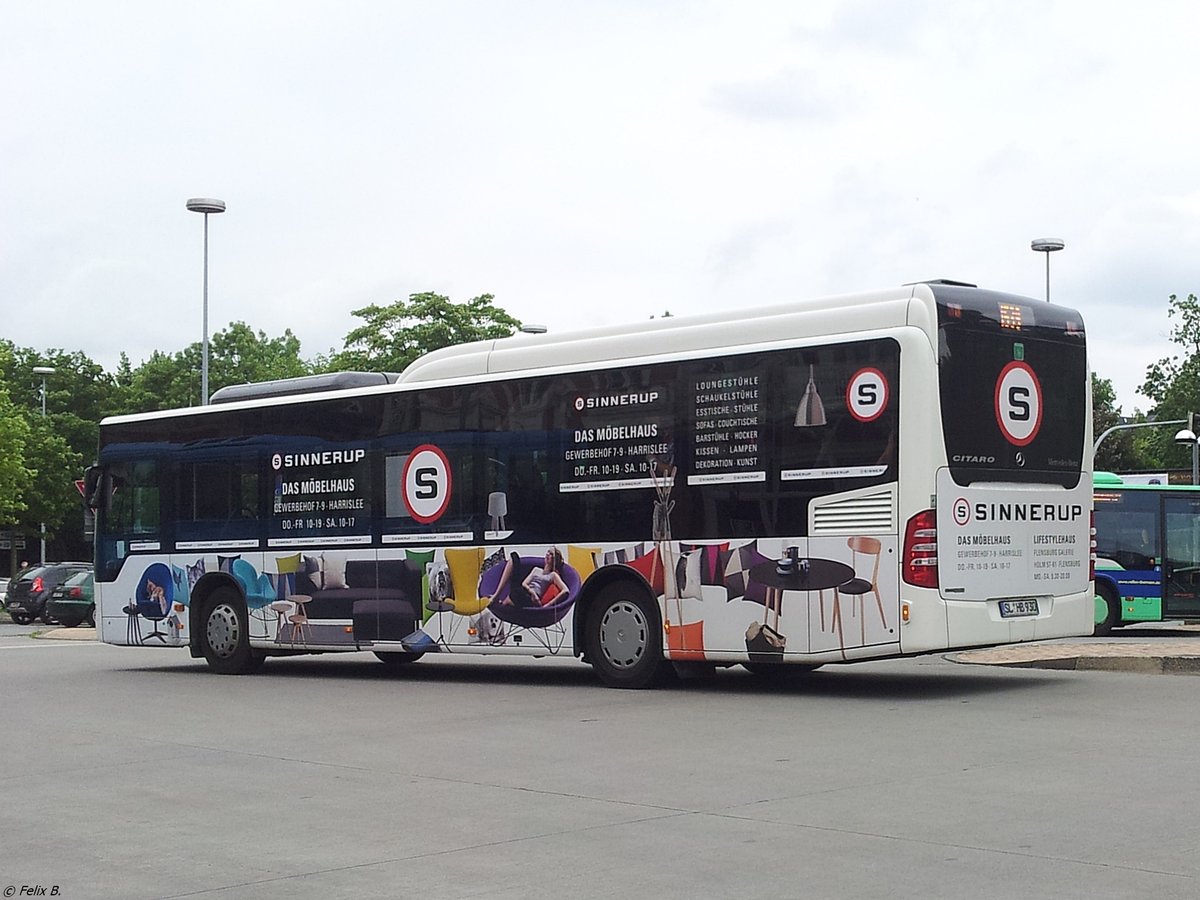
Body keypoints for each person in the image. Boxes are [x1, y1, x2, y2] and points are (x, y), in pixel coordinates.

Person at [491, 548, 568, 608]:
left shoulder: (553, 575)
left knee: (517, 593)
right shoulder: (536, 569)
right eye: (548, 552)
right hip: (525, 590)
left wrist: (548, 605)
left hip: (530, 599)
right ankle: (497, 596)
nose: (548, 554)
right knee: (514, 556)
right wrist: (532, 592)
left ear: (555, 560)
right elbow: (524, 583)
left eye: (551, 554)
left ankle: (503, 603)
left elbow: (565, 590)